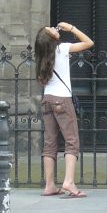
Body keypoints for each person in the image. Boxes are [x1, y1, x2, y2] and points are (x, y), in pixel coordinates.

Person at [35, 21, 94, 198]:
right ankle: (69, 182)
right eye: (51, 30)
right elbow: (89, 43)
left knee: (50, 143)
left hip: (47, 99)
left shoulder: (42, 55)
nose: (55, 29)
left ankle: (49, 185)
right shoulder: (61, 49)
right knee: (72, 141)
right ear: (51, 38)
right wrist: (72, 29)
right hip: (62, 99)